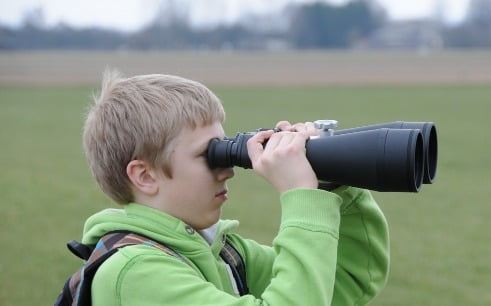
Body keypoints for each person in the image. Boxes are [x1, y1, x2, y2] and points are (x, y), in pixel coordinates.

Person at [79, 70, 390, 305]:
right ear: (145, 176)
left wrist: (332, 184)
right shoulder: (134, 272)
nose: (227, 170)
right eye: (208, 155)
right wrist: (302, 199)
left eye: (225, 149)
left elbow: (345, 283)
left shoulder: (225, 253)